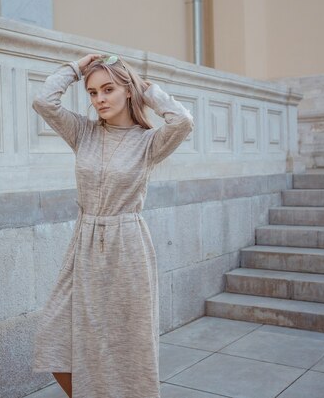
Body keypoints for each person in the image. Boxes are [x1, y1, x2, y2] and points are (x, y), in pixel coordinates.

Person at [31, 53, 194, 398]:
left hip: (128, 245)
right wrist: (75, 69)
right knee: (54, 336)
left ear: (128, 91)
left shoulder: (148, 142)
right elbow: (43, 100)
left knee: (125, 342)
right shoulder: (83, 132)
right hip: (84, 243)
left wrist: (146, 89)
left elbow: (182, 121)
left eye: (108, 89)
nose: (99, 99)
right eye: (92, 93)